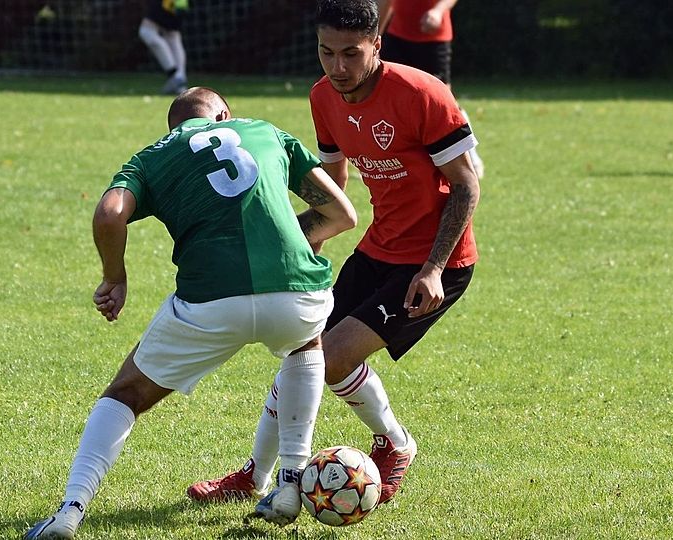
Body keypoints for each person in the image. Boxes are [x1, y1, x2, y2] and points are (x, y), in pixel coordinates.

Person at [23, 87, 358, 538]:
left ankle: (70, 511)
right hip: (295, 292)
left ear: (174, 128)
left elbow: (108, 214)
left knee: (125, 394)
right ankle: (291, 480)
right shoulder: (265, 131)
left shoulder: (153, 158)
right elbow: (341, 214)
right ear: (225, 115)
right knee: (305, 343)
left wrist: (115, 277)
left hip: (211, 300)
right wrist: (281, 245)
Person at [188, 0, 481, 511]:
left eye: (351, 53)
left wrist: (434, 268)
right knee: (302, 350)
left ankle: (395, 444)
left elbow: (466, 185)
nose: (338, 67)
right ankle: (254, 476)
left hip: (438, 262)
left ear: (377, 45)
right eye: (327, 52)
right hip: (378, 248)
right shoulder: (323, 96)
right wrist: (309, 252)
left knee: (333, 356)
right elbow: (333, 181)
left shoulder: (422, 93)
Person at [376, 0, 485, 177]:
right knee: (390, 98)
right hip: (397, 38)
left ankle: (471, 158)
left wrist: (438, 11)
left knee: (445, 102)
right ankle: (391, 162)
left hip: (434, 39)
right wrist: (374, 38)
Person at [138, 0, 189, 95]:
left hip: (168, 3)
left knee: (146, 31)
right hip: (179, 3)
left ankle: (174, 76)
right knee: (172, 36)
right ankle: (180, 81)